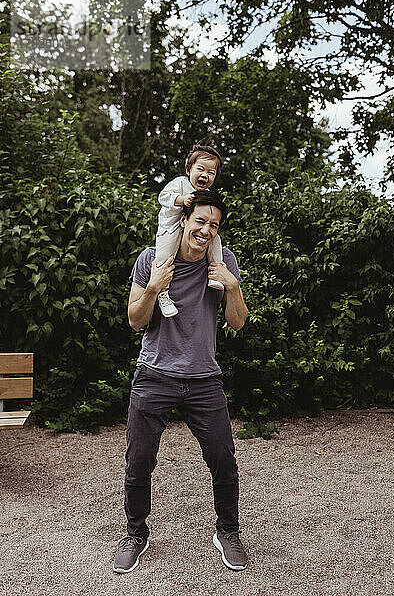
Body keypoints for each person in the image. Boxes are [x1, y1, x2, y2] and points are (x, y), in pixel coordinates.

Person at [113, 190, 249, 573]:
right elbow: (135, 320)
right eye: (200, 221)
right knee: (138, 461)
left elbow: (237, 322)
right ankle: (135, 535)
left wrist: (233, 286)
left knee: (223, 459)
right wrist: (155, 286)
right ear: (184, 220)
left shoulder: (224, 263)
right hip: (155, 375)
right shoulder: (152, 259)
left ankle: (227, 532)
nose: (206, 230)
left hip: (205, 379)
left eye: (214, 225)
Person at [155, 143, 225, 318]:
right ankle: (163, 293)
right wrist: (181, 199)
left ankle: (215, 273)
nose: (205, 175)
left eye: (211, 173)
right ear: (188, 169)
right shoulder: (180, 183)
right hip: (171, 228)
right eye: (201, 169)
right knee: (165, 258)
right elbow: (162, 197)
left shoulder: (207, 194)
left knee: (215, 240)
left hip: (192, 232)